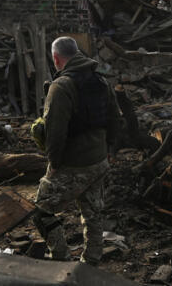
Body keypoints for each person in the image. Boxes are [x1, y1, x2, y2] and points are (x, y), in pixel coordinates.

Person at [29, 37, 119, 265]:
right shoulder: (100, 81)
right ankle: (92, 260)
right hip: (99, 159)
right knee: (92, 212)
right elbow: (115, 119)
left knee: (41, 212)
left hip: (74, 163)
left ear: (56, 59)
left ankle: (60, 257)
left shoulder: (61, 86)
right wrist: (111, 149)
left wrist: (54, 163)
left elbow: (55, 132)